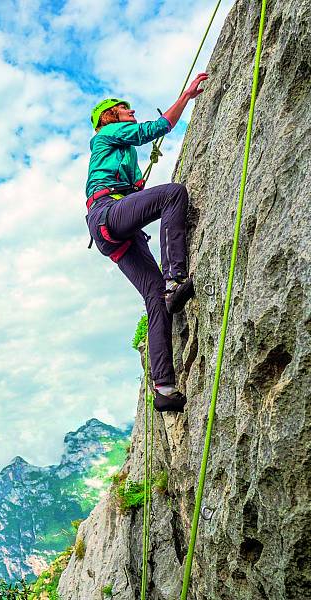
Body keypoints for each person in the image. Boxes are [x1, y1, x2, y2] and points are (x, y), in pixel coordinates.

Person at [84, 73, 208, 412]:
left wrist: (134, 187)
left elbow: (124, 179)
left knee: (156, 300)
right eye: (124, 109)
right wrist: (184, 98)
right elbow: (149, 130)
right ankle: (175, 278)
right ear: (109, 117)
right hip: (108, 214)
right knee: (172, 194)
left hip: (113, 231)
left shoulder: (116, 152)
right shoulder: (106, 135)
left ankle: (165, 389)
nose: (131, 110)